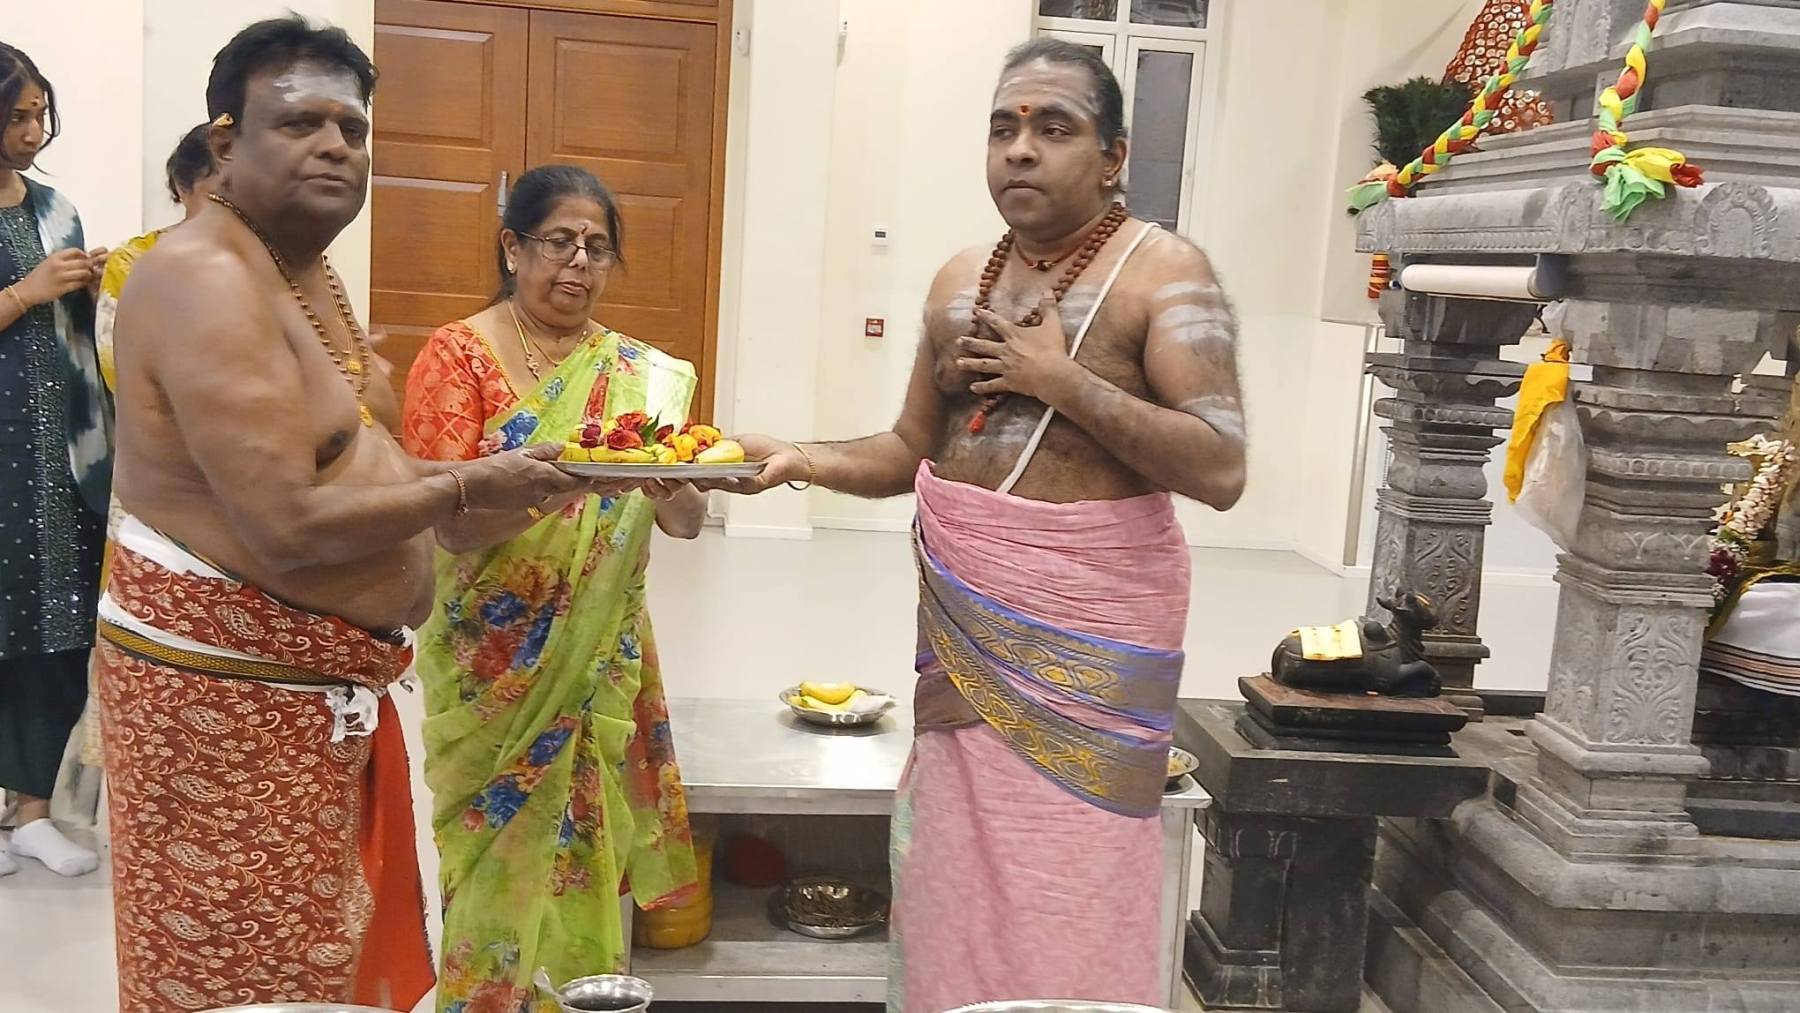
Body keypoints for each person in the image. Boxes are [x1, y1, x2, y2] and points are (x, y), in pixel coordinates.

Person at [707, 38, 1247, 1010]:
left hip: (1090, 645)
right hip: (965, 647)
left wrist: (1059, 380)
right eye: (1003, 129)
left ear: (1114, 156)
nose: (1020, 149)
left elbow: (1221, 466)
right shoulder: (960, 279)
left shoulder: (1166, 274)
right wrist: (801, 457)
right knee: (957, 865)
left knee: (1075, 882)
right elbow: (908, 448)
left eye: (1054, 128)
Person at [98, 16, 592, 1010]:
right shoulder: (205, 276)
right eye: (302, 123)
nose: (336, 146)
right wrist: (463, 486)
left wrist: (510, 487)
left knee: (314, 970)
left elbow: (363, 469)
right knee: (246, 985)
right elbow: (287, 523)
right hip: (227, 717)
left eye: (353, 129)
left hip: (303, 702)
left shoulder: (298, 268)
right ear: (227, 140)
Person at [403, 164, 704, 1011]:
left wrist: (674, 485)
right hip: (489, 664)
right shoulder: (456, 355)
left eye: (597, 248)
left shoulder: (642, 377)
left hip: (595, 658)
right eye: (559, 242)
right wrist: (569, 484)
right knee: (490, 863)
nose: (578, 263)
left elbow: (684, 522)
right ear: (513, 246)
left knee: (584, 849)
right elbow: (449, 523)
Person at [0, 42, 111, 880]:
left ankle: (32, 809)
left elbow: (77, 338)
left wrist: (88, 285)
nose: (34, 131)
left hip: (60, 457)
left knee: (58, 629)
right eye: (17, 116)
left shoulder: (55, 208)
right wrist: (23, 292)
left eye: (40, 113)